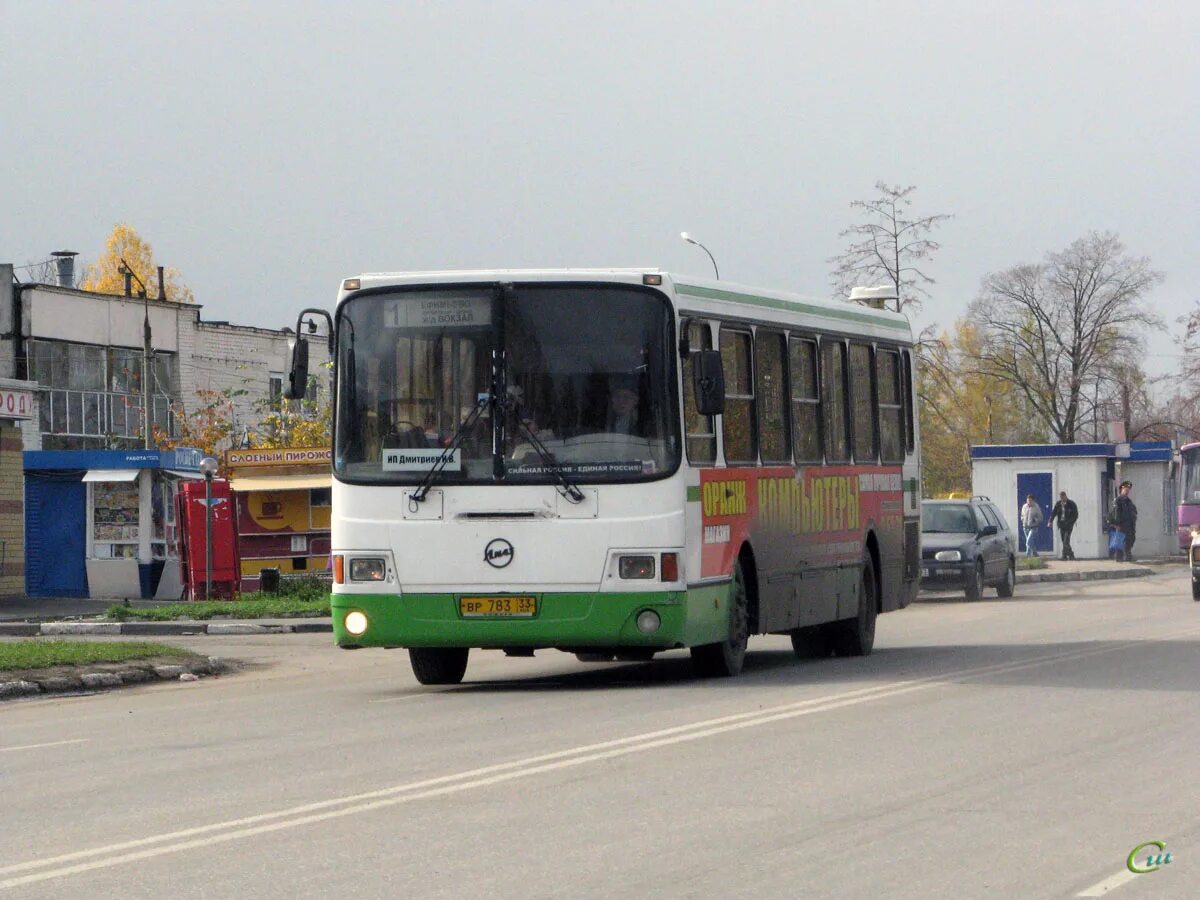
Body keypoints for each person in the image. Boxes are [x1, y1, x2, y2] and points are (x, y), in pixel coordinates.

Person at [1111, 480, 1138, 561]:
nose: (1127, 490)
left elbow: (1133, 512)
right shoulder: (1118, 500)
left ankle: (1128, 556)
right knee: (1121, 540)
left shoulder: (1129, 501)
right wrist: (1117, 524)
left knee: (1130, 540)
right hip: (1121, 524)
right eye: (1125, 489)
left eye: (1128, 489)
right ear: (1121, 490)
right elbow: (1116, 512)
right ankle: (1120, 558)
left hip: (1130, 525)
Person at [1049, 490, 1079, 561]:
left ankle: (1068, 555)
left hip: (1068, 525)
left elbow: (1075, 515)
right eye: (1061, 498)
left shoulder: (1071, 504)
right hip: (1061, 525)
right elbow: (1054, 513)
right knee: (1064, 541)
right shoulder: (1058, 504)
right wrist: (1050, 521)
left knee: (1066, 541)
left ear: (1065, 496)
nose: (1062, 499)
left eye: (1063, 497)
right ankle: (1067, 556)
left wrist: (1071, 522)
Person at [1021, 494, 1044, 558]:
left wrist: (1035, 520)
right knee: (1031, 542)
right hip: (1025, 527)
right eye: (1028, 500)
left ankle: (1028, 556)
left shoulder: (1036, 507)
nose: (1029, 502)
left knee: (1028, 542)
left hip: (1033, 528)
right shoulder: (1024, 506)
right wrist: (1022, 520)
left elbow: (1041, 518)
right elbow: (1022, 515)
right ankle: (1035, 553)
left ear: (1033, 501)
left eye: (1030, 500)